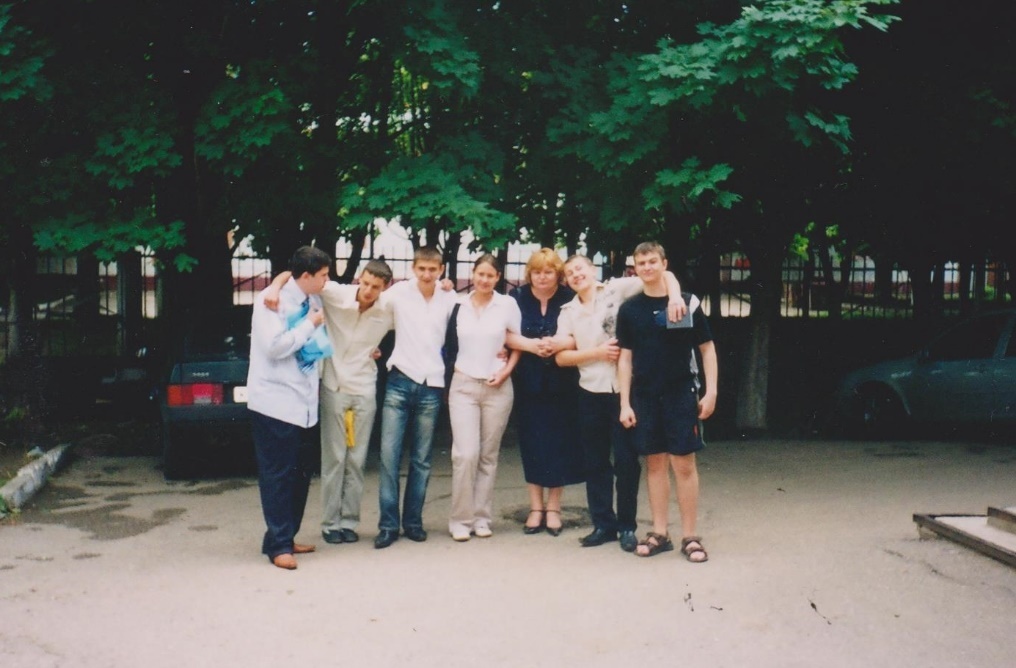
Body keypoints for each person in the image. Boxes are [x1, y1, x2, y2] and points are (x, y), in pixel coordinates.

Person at [555, 254, 685, 552]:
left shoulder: (616, 289)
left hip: (625, 392)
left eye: (580, 268)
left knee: (627, 461)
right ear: (567, 281)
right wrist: (597, 353)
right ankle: (603, 525)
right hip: (590, 391)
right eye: (570, 273)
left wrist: (676, 297)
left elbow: (664, 276)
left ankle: (627, 526)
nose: (576, 275)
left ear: (592, 270)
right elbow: (562, 358)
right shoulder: (568, 311)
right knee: (595, 461)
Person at [263, 260, 395, 546]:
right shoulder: (336, 293)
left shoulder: (388, 308)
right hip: (334, 385)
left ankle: (349, 521)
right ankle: (330, 523)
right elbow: (294, 274)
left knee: (357, 459)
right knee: (335, 457)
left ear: (385, 288)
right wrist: (273, 287)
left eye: (376, 287)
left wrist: (446, 287)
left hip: (364, 387)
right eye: (366, 283)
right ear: (360, 278)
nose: (368, 290)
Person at [617, 241, 717, 562]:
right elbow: (625, 359)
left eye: (652, 261)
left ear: (664, 263)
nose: (647, 267)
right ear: (635, 268)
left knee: (684, 464)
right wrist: (625, 403)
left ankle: (690, 536)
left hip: (680, 394)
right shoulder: (629, 309)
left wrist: (711, 391)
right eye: (641, 263)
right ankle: (660, 532)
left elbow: (707, 349)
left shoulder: (686, 303)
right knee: (655, 464)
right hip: (645, 397)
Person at [246, 245, 332, 570]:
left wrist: (279, 279)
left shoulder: (312, 298)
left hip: (305, 404)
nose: (326, 281)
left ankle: (284, 536)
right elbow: (274, 347)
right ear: (306, 276)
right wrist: (308, 325)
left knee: (300, 475)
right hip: (276, 403)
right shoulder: (271, 302)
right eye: (323, 275)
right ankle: (279, 546)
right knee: (278, 476)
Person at [375, 246, 458, 549]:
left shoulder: (449, 297)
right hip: (400, 379)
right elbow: (370, 306)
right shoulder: (399, 292)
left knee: (421, 459)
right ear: (413, 268)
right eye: (421, 268)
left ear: (441, 269)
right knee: (389, 456)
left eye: (432, 269)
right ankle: (388, 525)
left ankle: (413, 522)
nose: (426, 274)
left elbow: (469, 324)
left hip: (431, 384)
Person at [443, 255, 524, 541]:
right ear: (473, 274)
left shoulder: (507, 305)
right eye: (480, 274)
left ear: (498, 277)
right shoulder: (457, 304)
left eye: (490, 275)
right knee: (465, 455)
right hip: (463, 385)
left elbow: (516, 343)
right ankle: (460, 520)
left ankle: (481, 518)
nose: (484, 280)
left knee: (488, 456)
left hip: (497, 387)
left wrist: (506, 372)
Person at [507, 248, 583, 536]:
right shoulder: (517, 298)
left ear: (557, 274)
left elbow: (581, 334)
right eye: (537, 272)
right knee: (532, 442)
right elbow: (503, 332)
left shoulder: (569, 298)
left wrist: (557, 344)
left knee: (559, 442)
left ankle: (554, 507)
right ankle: (535, 507)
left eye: (548, 272)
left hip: (562, 381)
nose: (542, 277)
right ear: (530, 274)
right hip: (527, 380)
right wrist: (530, 345)